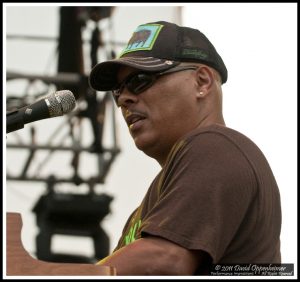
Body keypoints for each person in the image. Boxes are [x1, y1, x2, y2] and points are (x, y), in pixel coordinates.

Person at [88, 21, 281, 275]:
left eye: (140, 81)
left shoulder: (217, 146)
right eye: (118, 91)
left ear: (202, 82)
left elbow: (165, 261)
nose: (124, 99)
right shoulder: (149, 207)